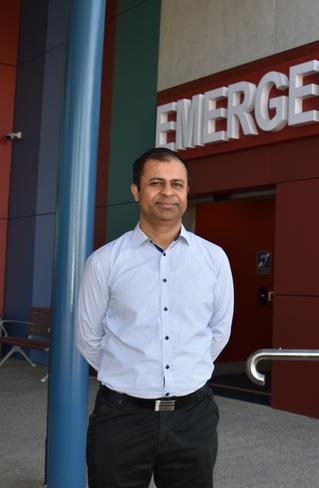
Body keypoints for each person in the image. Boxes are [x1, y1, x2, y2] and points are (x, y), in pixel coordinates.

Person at [75, 147, 234, 488]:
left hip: (194, 417)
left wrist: (187, 368)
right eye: (156, 183)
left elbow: (219, 329)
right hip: (122, 418)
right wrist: (130, 371)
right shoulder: (104, 262)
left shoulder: (214, 259)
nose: (167, 192)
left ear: (187, 191)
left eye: (177, 184)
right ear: (136, 190)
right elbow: (87, 338)